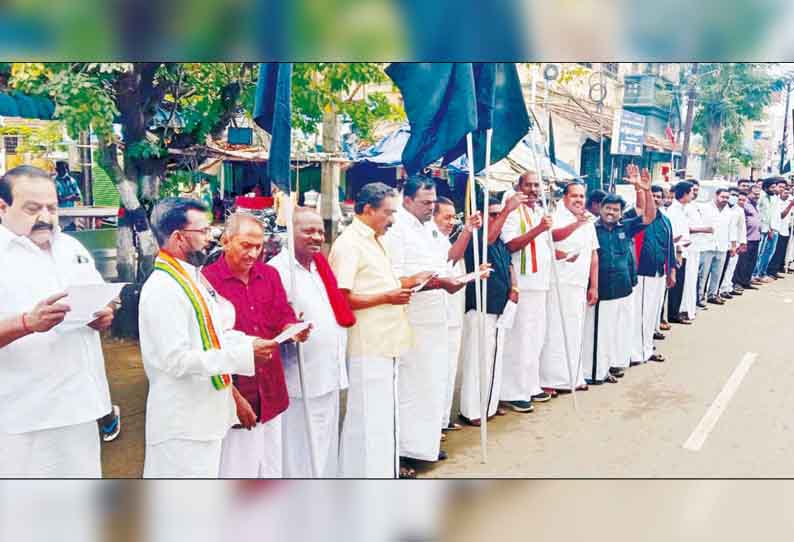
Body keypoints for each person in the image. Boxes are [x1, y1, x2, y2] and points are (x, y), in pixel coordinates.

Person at [138, 198, 276, 478]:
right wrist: (243, 356)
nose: (210, 238)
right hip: (182, 424)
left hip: (203, 417)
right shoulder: (164, 288)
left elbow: (214, 335)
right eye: (203, 232)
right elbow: (176, 360)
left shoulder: (192, 279)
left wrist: (249, 343)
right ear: (178, 237)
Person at [0, 165, 114, 477]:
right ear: (3, 207)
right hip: (21, 415)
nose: (46, 217)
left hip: (81, 406)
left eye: (52, 207)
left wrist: (101, 315)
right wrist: (26, 323)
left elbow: (98, 300)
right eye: (33, 208)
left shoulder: (71, 247)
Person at [202, 213, 312, 478]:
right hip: (238, 393)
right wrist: (234, 399)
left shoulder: (269, 275)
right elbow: (207, 346)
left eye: (258, 246)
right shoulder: (206, 282)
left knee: (271, 467)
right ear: (226, 241)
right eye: (245, 245)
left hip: (271, 390)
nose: (253, 253)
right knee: (237, 470)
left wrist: (291, 329)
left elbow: (280, 313)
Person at [329, 182, 413, 479]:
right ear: (368, 210)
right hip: (367, 344)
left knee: (382, 418)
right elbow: (341, 298)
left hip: (386, 341)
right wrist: (386, 297)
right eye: (388, 213)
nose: (392, 220)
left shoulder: (376, 240)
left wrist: (408, 283)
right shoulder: (349, 243)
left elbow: (380, 284)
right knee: (366, 419)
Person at [382, 175, 465, 476]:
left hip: (436, 316)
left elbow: (446, 259)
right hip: (413, 318)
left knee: (432, 384)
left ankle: (423, 444)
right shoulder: (398, 230)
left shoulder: (429, 228)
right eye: (425, 202)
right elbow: (398, 277)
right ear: (406, 201)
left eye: (433, 202)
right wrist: (437, 282)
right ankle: (401, 452)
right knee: (409, 388)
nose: (431, 208)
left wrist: (466, 235)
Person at [269, 208, 353, 478]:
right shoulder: (277, 272)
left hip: (328, 373)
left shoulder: (320, 267)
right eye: (308, 231)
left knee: (325, 443)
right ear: (289, 233)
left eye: (320, 231)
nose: (317, 237)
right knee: (299, 448)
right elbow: (272, 323)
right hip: (300, 379)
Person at [582, 175, 653, 384]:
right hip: (600, 289)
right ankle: (595, 373)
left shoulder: (625, 227)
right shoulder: (590, 228)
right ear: (600, 209)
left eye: (615, 210)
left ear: (621, 212)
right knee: (597, 333)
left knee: (614, 331)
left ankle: (608, 366)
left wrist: (645, 191)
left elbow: (648, 217)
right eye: (608, 209)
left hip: (623, 288)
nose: (611, 213)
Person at [459, 193, 520, 425]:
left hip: (499, 305)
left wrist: (514, 287)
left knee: (493, 358)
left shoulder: (499, 240)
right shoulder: (478, 237)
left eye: (499, 213)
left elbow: (509, 264)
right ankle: (474, 410)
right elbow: (488, 240)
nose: (498, 218)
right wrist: (506, 211)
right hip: (481, 306)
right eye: (492, 214)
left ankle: (488, 405)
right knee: (478, 359)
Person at [500, 171, 558, 411]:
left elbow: (541, 246)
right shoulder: (513, 209)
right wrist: (539, 230)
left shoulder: (537, 210)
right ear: (519, 187)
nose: (534, 190)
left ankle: (530, 385)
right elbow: (510, 244)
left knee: (536, 338)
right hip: (522, 284)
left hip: (540, 283)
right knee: (520, 339)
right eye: (529, 185)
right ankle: (513, 391)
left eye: (537, 185)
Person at [540, 182, 599, 394]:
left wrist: (594, 285)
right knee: (554, 332)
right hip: (558, 284)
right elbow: (552, 237)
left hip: (579, 284)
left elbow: (594, 255)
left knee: (575, 332)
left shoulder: (588, 221)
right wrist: (576, 224)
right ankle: (549, 379)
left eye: (582, 196)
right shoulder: (554, 216)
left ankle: (572, 377)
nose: (579, 200)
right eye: (574, 196)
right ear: (564, 198)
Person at [431, 197, 482, 433]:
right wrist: (468, 232)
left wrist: (474, 274)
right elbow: (449, 260)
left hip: (453, 316)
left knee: (449, 370)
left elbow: (453, 261)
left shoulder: (442, 240)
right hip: (437, 318)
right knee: (437, 372)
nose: (451, 222)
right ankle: (435, 423)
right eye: (446, 217)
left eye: (454, 217)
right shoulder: (431, 241)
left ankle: (442, 419)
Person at [627, 182, 673, 365]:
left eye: (658, 196)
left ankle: (647, 348)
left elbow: (669, 246)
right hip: (641, 273)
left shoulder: (665, 220)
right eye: (652, 195)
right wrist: (640, 189)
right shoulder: (637, 218)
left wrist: (671, 271)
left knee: (651, 314)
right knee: (639, 314)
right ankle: (635, 352)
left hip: (659, 273)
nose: (655, 199)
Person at [697, 188, 734, 306]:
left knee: (717, 273)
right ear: (716, 196)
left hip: (722, 246)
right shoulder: (705, 208)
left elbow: (731, 229)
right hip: (707, 245)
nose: (725, 200)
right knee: (703, 274)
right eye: (723, 197)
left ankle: (712, 295)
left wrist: (732, 245)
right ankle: (699, 297)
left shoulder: (729, 212)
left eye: (727, 198)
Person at [680, 180, 711, 319]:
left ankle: (689, 308)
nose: (695, 193)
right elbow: (685, 228)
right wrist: (704, 229)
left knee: (692, 280)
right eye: (693, 190)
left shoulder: (695, 206)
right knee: (686, 280)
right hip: (686, 248)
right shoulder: (683, 208)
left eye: (697, 190)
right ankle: (683, 309)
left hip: (696, 248)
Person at [665, 181, 695, 324]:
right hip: (678, 252)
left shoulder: (682, 209)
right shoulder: (674, 211)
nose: (693, 195)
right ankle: (672, 314)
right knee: (675, 285)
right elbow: (675, 235)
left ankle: (675, 312)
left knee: (680, 284)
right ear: (684, 194)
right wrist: (678, 252)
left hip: (683, 251)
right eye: (691, 192)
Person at [718, 188, 748, 298]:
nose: (734, 197)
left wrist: (743, 242)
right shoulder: (722, 209)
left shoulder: (739, 210)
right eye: (732, 195)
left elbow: (742, 227)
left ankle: (726, 288)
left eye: (736, 195)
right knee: (719, 268)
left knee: (731, 267)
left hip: (735, 243)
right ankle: (716, 290)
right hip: (722, 242)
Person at [752, 178, 781, 283]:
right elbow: (761, 214)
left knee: (766, 253)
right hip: (761, 230)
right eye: (772, 187)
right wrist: (769, 229)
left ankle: (760, 273)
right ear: (765, 188)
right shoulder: (761, 198)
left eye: (775, 187)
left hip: (769, 229)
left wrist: (771, 228)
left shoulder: (772, 198)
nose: (775, 189)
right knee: (759, 253)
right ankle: (754, 274)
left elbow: (771, 215)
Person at [735, 187, 762, 290]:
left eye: (758, 194)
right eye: (755, 194)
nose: (757, 196)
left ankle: (746, 281)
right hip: (747, 238)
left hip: (755, 237)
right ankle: (738, 282)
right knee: (742, 262)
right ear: (749, 193)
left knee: (751, 261)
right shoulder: (745, 205)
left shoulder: (755, 205)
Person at [766, 184, 794, 278]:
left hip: (785, 230)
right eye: (785, 192)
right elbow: (782, 215)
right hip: (778, 229)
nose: (787, 194)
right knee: (774, 252)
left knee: (781, 252)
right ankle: (770, 271)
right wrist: (791, 205)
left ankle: (775, 270)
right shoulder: (778, 202)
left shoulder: (788, 201)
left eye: (788, 193)